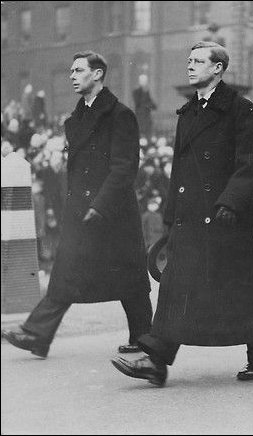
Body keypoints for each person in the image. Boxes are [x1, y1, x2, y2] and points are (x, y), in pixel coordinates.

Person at [110, 41, 253, 386]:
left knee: (240, 286)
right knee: (177, 284)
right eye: (189, 60)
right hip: (191, 216)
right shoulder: (188, 113)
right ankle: (156, 361)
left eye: (199, 61)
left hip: (229, 216)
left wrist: (230, 202)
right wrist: (171, 218)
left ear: (218, 68)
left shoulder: (240, 109)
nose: (190, 66)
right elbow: (180, 171)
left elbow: (252, 163)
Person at [2, 51, 153, 358]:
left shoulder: (120, 115)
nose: (71, 76)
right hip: (83, 211)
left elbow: (124, 167)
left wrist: (100, 205)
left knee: (130, 278)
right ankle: (38, 334)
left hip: (112, 212)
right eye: (70, 71)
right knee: (66, 271)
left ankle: (145, 338)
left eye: (78, 70)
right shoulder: (76, 118)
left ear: (97, 75)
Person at [132, 74, 157, 140]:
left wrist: (150, 105)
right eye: (143, 81)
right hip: (140, 117)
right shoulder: (136, 92)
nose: (145, 82)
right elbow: (138, 103)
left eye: (145, 81)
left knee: (148, 135)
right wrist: (148, 104)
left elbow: (153, 105)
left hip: (147, 118)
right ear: (140, 81)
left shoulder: (146, 92)